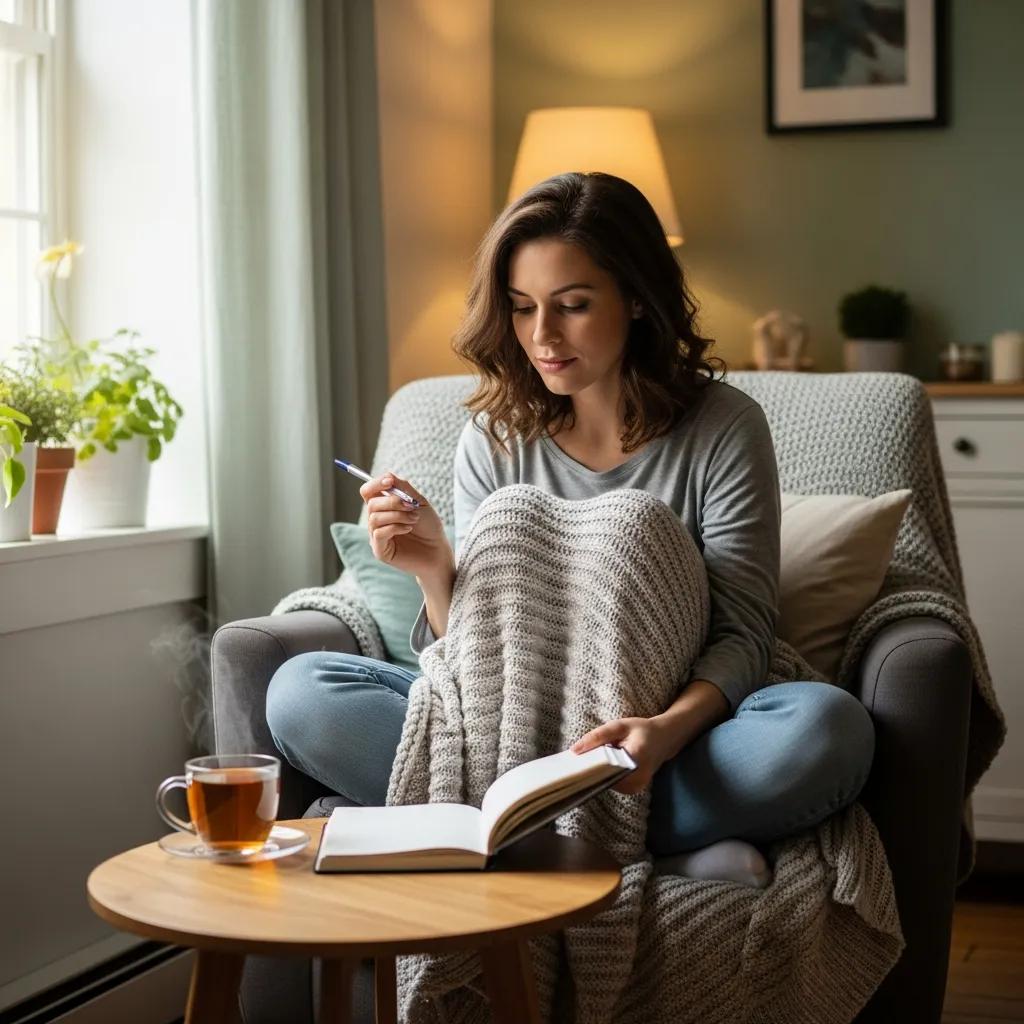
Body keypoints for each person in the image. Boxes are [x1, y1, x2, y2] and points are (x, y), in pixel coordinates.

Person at [266, 171, 874, 888]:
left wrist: (661, 733)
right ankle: (651, 849)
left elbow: (744, 632)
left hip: (662, 747)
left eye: (573, 306)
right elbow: (472, 655)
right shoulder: (492, 436)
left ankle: (477, 827)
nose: (541, 337)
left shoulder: (723, 428)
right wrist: (435, 570)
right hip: (506, 730)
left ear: (640, 300)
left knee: (825, 730)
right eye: (522, 309)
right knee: (300, 692)